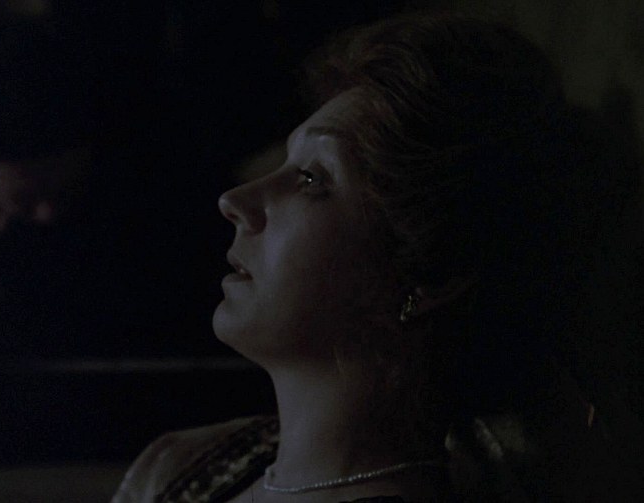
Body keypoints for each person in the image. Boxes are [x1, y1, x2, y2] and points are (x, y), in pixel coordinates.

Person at [111, 11, 644, 503]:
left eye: (312, 179)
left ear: (434, 272)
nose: (236, 201)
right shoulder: (182, 465)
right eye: (287, 163)